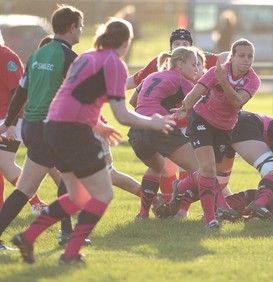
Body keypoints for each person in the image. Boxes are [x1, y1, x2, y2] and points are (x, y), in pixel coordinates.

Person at [10, 17, 175, 265]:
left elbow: (74, 96)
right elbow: (122, 115)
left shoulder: (87, 56)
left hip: (52, 128)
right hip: (74, 132)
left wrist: (97, 124)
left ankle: (28, 236)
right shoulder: (115, 63)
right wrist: (154, 122)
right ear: (126, 42)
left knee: (77, 196)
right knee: (103, 193)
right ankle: (71, 253)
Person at [0, 5, 84, 251]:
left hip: (33, 128)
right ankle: (67, 234)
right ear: (71, 28)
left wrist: (8, 123)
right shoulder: (70, 58)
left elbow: (21, 93)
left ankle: (66, 233)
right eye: (80, 26)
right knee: (69, 177)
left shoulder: (37, 55)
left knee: (27, 188)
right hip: (55, 128)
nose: (81, 31)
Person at [172, 39, 261, 229]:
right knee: (209, 170)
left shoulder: (253, 80)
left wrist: (223, 81)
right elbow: (196, 93)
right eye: (242, 55)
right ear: (233, 56)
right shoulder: (216, 71)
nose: (246, 60)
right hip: (202, 121)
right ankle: (210, 219)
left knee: (209, 174)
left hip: (225, 128)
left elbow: (237, 102)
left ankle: (179, 188)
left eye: (250, 56)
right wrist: (185, 108)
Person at [161, 110, 273, 220]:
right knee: (271, 172)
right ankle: (254, 207)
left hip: (231, 123)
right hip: (243, 125)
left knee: (218, 181)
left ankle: (182, 191)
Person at [128, 46, 200, 219]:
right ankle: (183, 191)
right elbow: (204, 108)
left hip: (137, 130)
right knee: (201, 170)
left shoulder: (153, 75)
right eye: (194, 65)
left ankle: (143, 214)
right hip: (159, 128)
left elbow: (133, 101)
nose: (197, 69)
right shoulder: (184, 81)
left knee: (156, 166)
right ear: (180, 64)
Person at [0, 31, 49, 220]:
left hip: (9, 120)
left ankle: (37, 203)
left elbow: (18, 92)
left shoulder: (6, 57)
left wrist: (10, 124)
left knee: (4, 163)